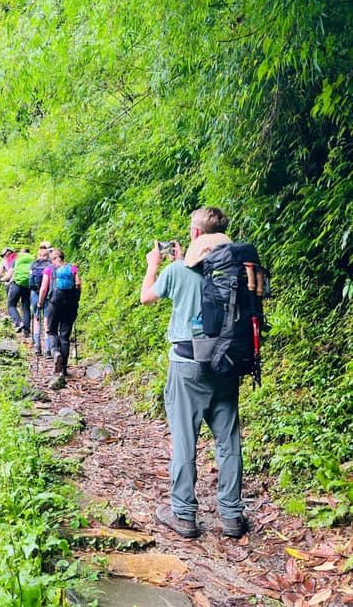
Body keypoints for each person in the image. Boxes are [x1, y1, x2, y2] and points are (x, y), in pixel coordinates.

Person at [139, 206, 246, 540]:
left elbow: (146, 298)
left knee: (186, 439)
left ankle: (184, 514)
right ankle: (231, 516)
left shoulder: (175, 271)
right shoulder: (234, 271)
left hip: (187, 366)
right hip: (226, 364)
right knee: (228, 441)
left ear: (196, 235)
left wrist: (153, 266)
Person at [37, 248, 81, 378]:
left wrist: (40, 303)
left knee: (51, 331)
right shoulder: (72, 268)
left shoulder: (49, 269)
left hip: (54, 304)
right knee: (65, 336)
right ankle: (64, 370)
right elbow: (78, 284)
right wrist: (76, 299)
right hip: (70, 305)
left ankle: (55, 352)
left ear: (53, 258)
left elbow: (44, 287)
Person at [29, 244, 53, 356]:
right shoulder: (51, 265)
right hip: (48, 295)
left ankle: (37, 347)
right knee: (47, 321)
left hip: (35, 294)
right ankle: (48, 350)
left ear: (38, 255)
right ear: (47, 256)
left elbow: (30, 281)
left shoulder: (33, 265)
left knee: (36, 318)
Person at [5, 247, 33, 337]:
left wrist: (1, 279)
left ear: (21, 252)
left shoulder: (16, 260)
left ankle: (19, 322)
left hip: (16, 284)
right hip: (28, 286)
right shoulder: (33, 260)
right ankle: (27, 330)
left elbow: (9, 275)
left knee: (11, 305)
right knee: (26, 307)